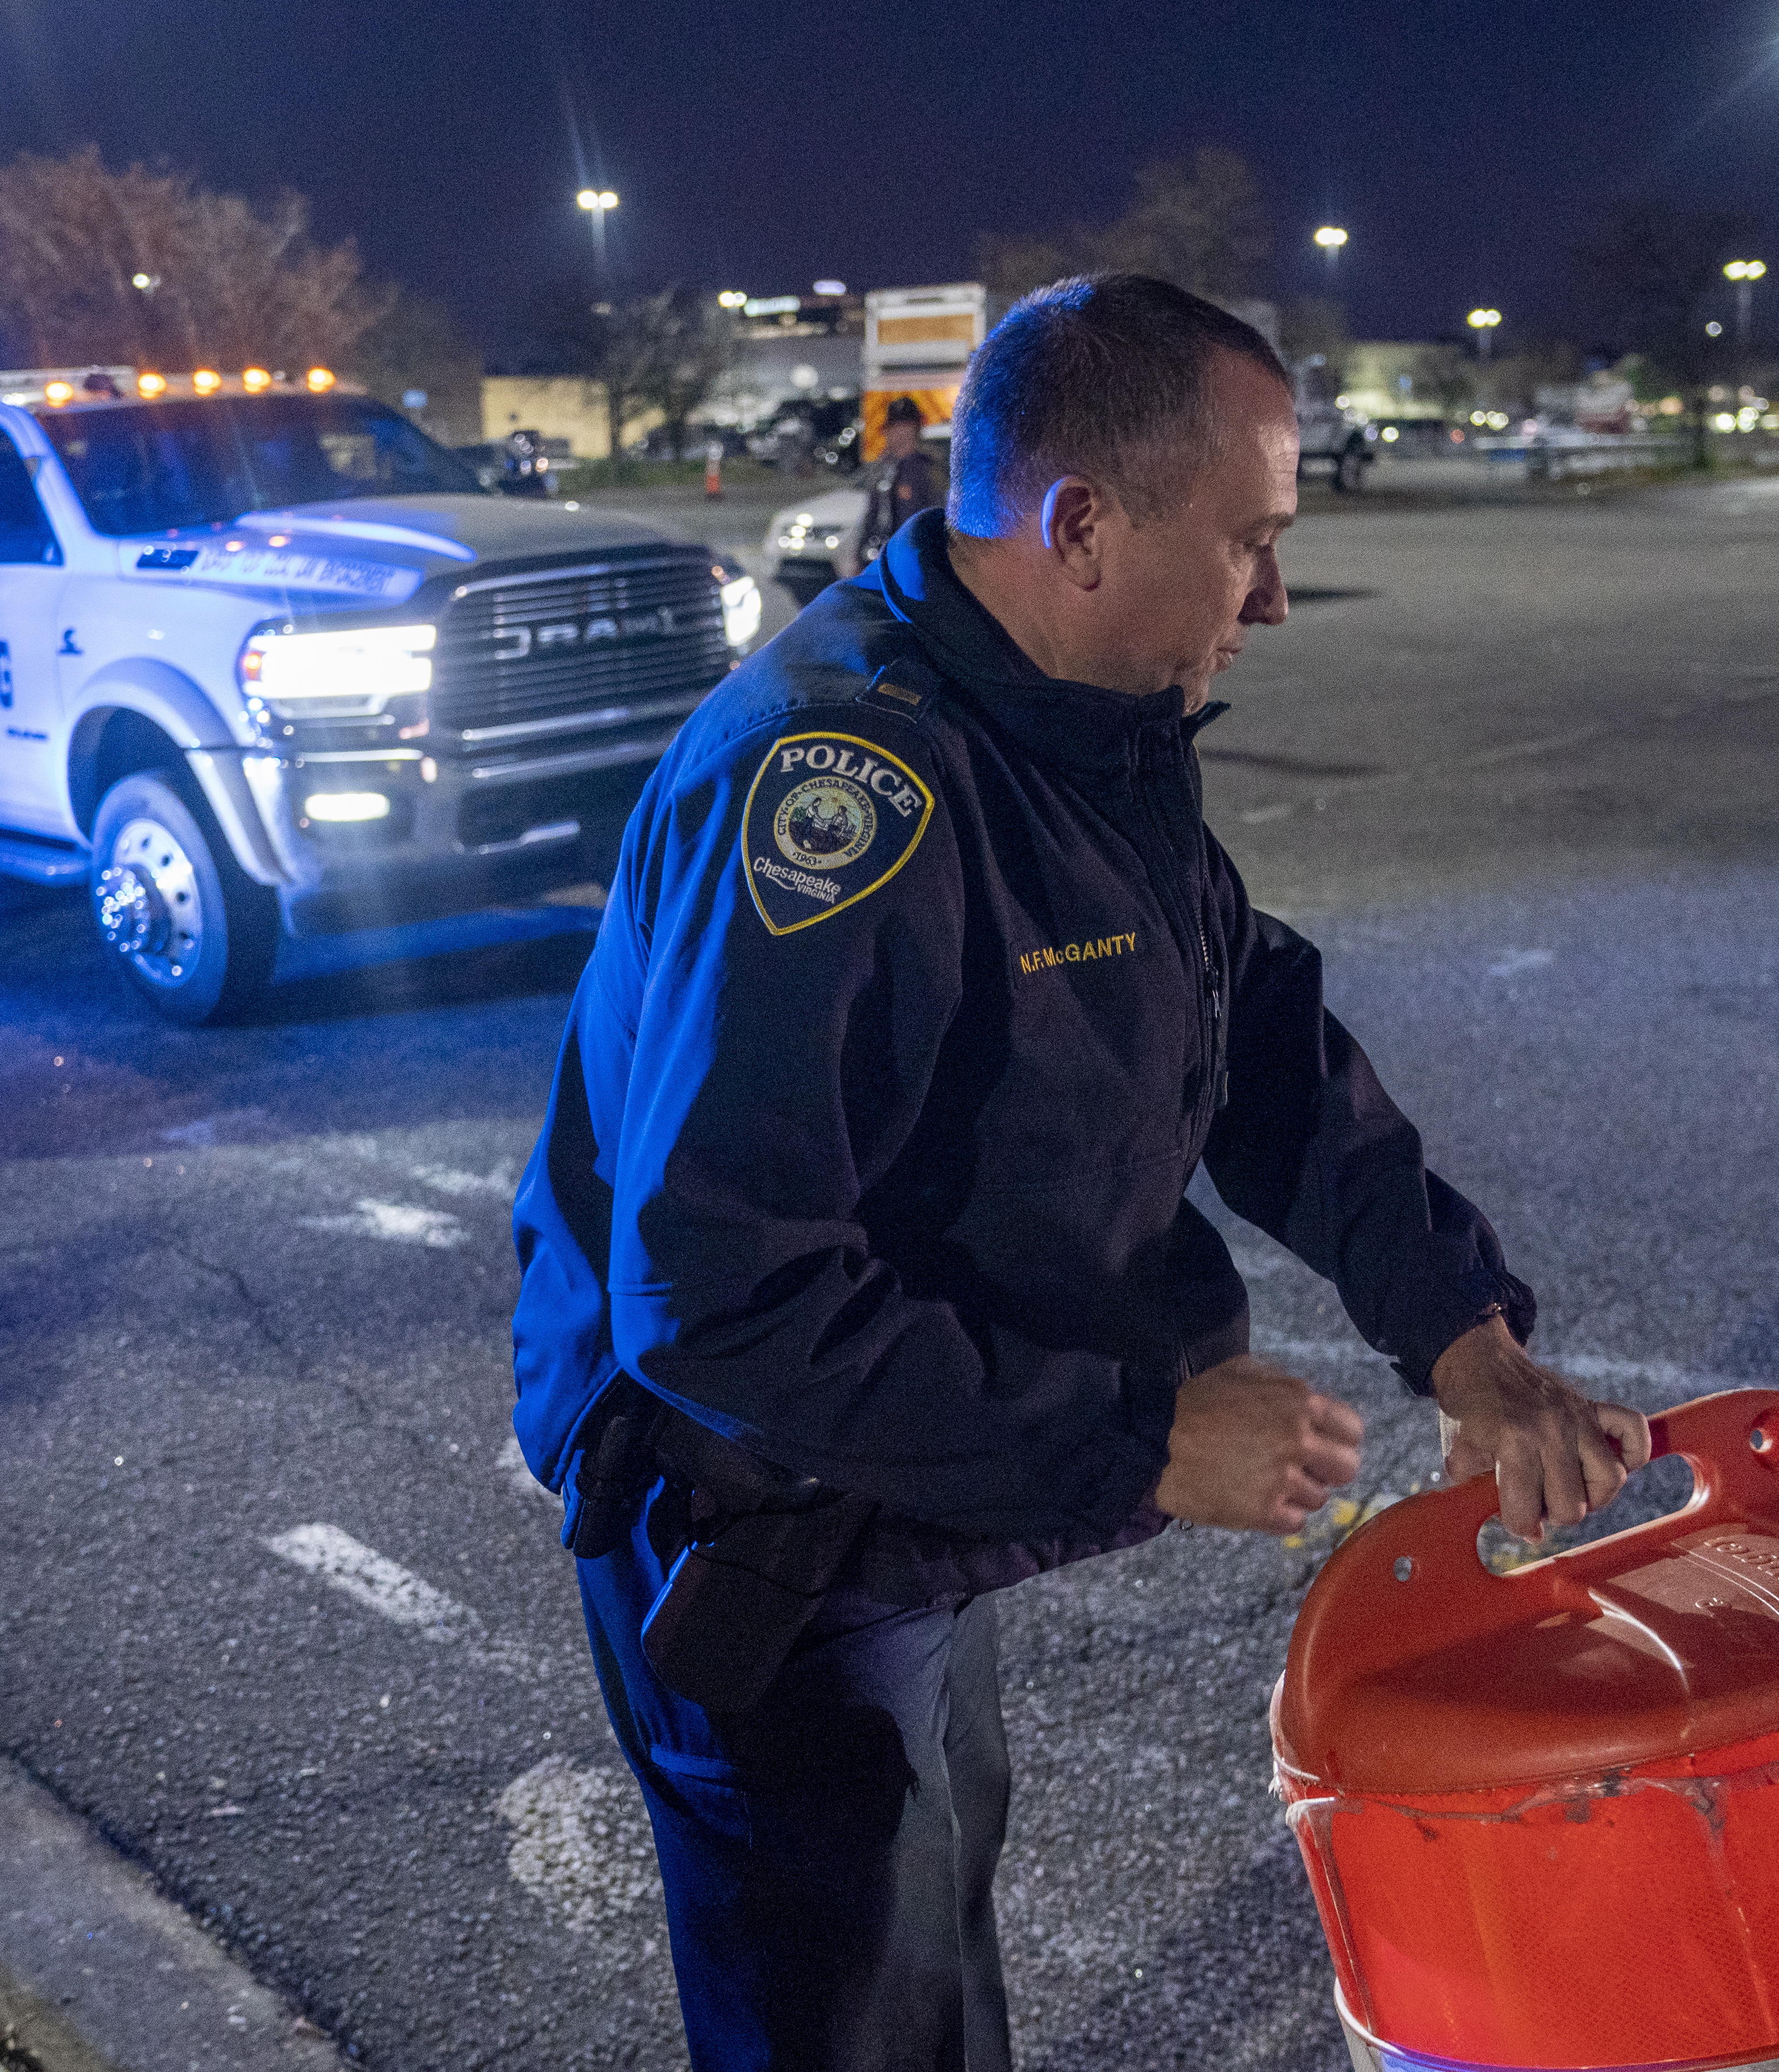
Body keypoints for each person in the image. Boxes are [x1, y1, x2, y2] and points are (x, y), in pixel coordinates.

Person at [509, 274, 1646, 2072]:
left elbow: (1241, 1023)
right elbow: (713, 1297)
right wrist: (1138, 1438)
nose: (1274, 594)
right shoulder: (844, 788)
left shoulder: (1071, 719)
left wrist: (1461, 1331)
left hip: (909, 1488)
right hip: (773, 1516)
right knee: (850, 2006)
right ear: (1085, 524)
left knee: (930, 1943)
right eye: (1251, 543)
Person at [855, 394, 947, 563]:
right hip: (884, 557)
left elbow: (938, 516)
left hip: (916, 558)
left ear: (916, 430)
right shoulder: (881, 468)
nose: (899, 433)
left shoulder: (928, 469)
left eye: (906, 426)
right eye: (895, 427)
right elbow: (872, 514)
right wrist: (859, 555)